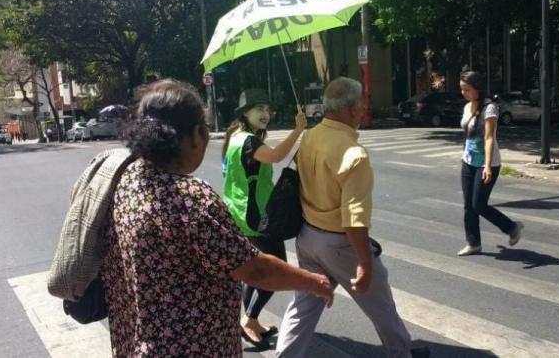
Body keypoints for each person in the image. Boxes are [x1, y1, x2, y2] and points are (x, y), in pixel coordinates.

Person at [101, 79, 334, 357]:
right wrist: (314, 281)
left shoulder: (124, 180)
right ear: (196, 134)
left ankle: (251, 319)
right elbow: (254, 270)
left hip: (137, 342)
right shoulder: (190, 198)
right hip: (191, 347)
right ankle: (250, 319)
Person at [275, 77, 425, 358]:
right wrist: (365, 264)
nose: (364, 106)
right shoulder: (354, 154)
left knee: (303, 307)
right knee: (381, 306)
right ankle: (401, 353)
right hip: (341, 245)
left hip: (307, 237)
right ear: (354, 107)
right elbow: (354, 218)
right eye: (362, 102)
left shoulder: (309, 136)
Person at [221, 88, 307, 348]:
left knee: (256, 271)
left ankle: (251, 321)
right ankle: (249, 320)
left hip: (239, 213)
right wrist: (298, 130)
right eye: (259, 109)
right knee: (274, 272)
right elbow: (276, 157)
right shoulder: (248, 141)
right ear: (245, 113)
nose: (265, 114)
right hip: (257, 217)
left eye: (267, 109)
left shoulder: (234, 137)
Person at [456, 71, 524, 256]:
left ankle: (511, 227)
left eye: (467, 90)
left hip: (487, 163)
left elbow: (488, 138)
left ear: (477, 89)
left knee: (479, 204)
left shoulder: (490, 108)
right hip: (468, 162)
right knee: (468, 205)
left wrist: (486, 166)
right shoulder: (467, 107)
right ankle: (474, 243)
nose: (463, 93)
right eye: (462, 89)